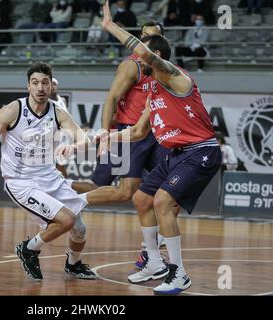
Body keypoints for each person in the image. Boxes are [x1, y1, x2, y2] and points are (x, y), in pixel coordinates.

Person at [99, 0, 222, 295]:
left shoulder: (175, 76)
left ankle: (179, 273)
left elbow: (143, 52)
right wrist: (102, 137)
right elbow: (139, 131)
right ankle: (154, 262)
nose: (136, 62)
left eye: (142, 58)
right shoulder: (152, 89)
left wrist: (110, 26)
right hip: (179, 154)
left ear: (155, 58)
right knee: (142, 199)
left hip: (201, 151)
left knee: (162, 202)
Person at [0, 62, 96, 281]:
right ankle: (29, 249)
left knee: (80, 228)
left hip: (50, 177)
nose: (40, 88)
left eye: (45, 82)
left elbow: (80, 136)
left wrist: (78, 143)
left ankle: (73, 265)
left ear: (50, 86)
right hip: (21, 182)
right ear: (28, 86)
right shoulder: (12, 110)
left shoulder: (58, 112)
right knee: (67, 220)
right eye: (35, 83)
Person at [70, 22, 171, 270]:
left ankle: (151, 249)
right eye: (144, 36)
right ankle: (63, 190)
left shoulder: (165, 69)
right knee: (116, 190)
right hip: (128, 133)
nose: (147, 40)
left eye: (153, 37)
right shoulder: (132, 65)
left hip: (154, 135)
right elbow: (111, 99)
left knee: (167, 191)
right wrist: (105, 133)